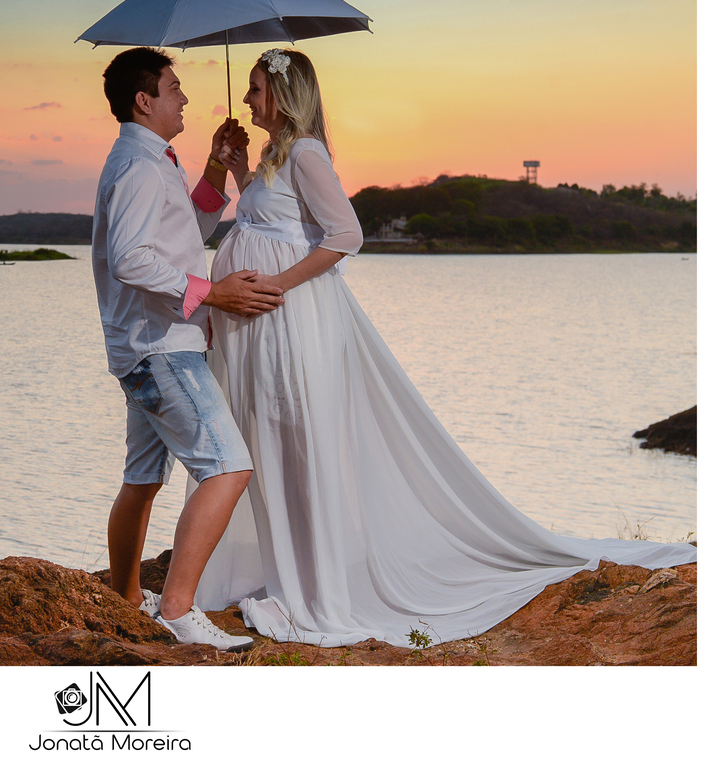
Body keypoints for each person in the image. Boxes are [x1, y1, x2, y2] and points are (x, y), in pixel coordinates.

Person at [193, 47, 697, 647]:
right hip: (260, 324)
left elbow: (346, 234)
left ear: (281, 93)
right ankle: (286, 565)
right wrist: (236, 169)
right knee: (270, 441)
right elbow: (269, 222)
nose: (247, 99)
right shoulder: (276, 155)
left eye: (254, 88)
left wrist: (277, 282)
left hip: (290, 320)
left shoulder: (305, 152)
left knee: (296, 442)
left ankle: (316, 582)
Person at [92, 46, 285, 651]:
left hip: (145, 345)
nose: (184, 99)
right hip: (161, 348)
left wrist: (216, 169)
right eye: (174, 88)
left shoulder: (151, 159)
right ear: (143, 100)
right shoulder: (140, 167)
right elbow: (130, 259)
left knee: (143, 478)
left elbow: (183, 234)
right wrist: (213, 293)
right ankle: (177, 609)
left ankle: (127, 600)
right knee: (228, 467)